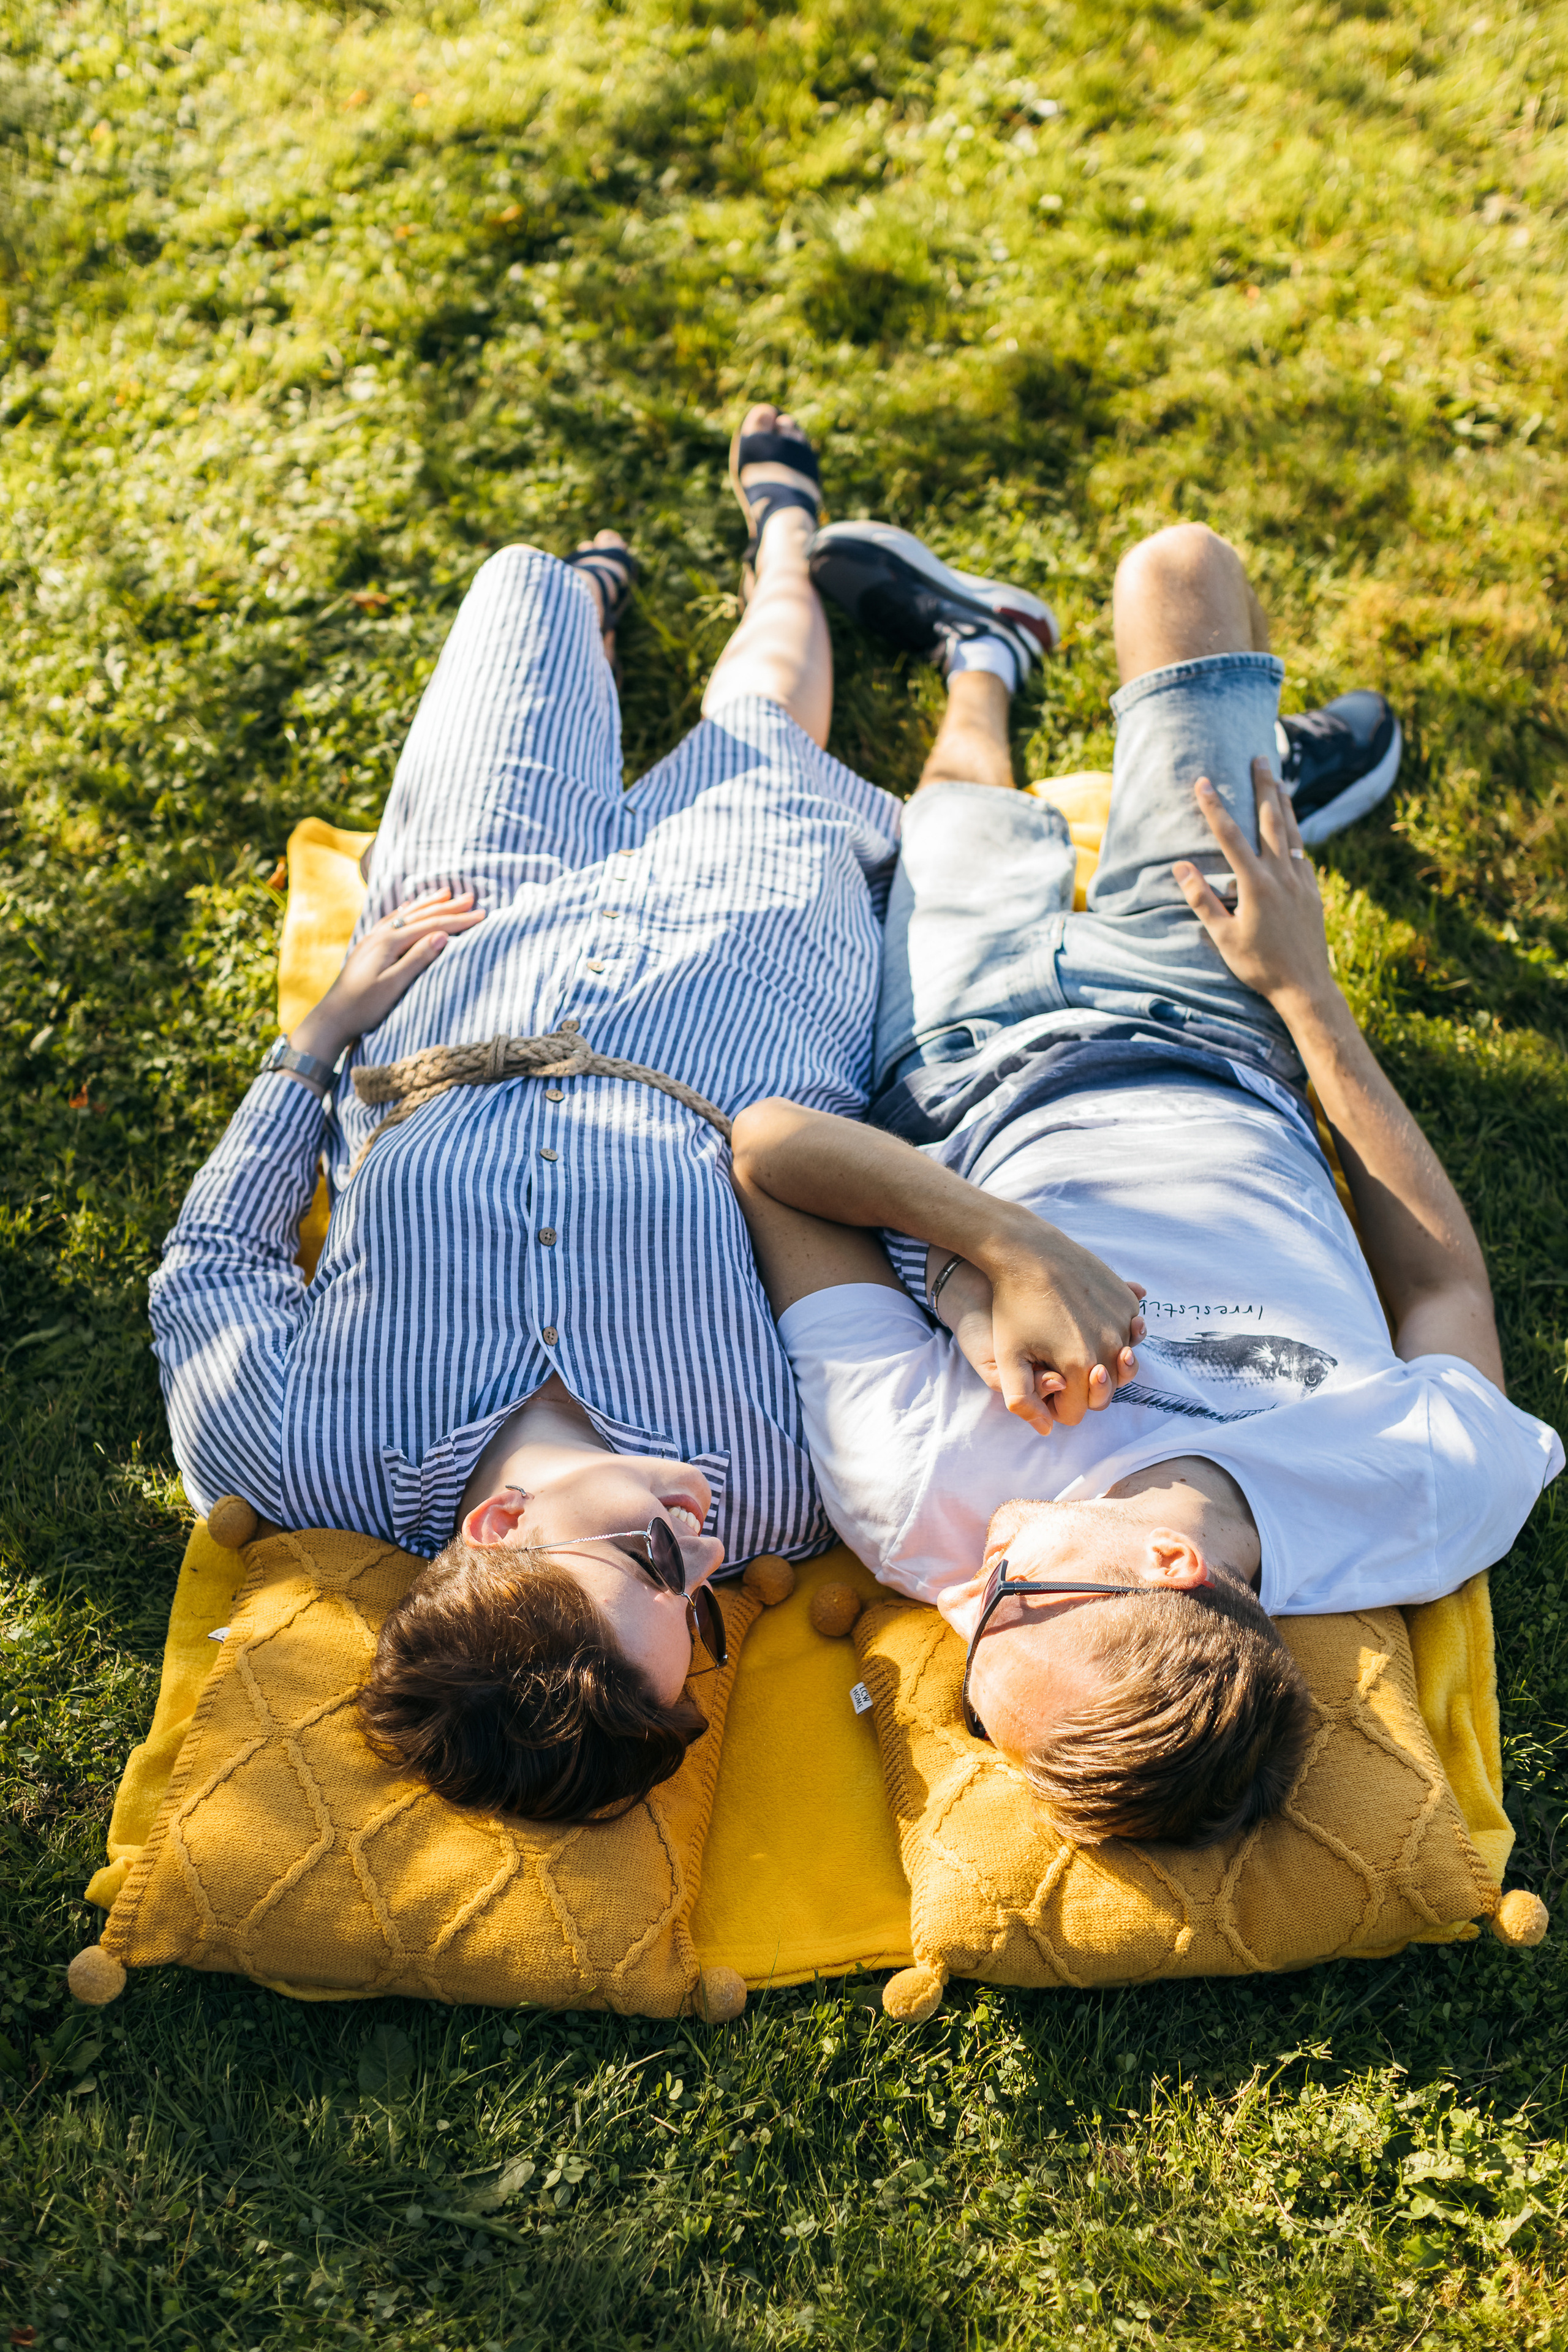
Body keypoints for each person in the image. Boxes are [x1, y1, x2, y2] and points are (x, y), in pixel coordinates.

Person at [147, 407, 1141, 1823]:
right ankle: (785, 536)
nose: (698, 1547)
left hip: (463, 942)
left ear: (497, 1532)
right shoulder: (778, 1482)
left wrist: (318, 1034)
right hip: (742, 960)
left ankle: (598, 609)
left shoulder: (287, 1446)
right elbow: (877, 1266)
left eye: (647, 1562)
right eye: (707, 1614)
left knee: (521, 587)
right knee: (756, 715)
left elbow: (212, 1268)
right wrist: (990, 1282)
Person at [730, 518, 1564, 1848]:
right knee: (1176, 573)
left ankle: (984, 658)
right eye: (1013, 1603)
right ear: (1176, 1570)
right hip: (1223, 1029)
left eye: (968, 1636)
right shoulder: (1422, 1493)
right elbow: (1443, 1277)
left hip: (957, 1061)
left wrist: (989, 1255)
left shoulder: (923, 1507)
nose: (961, 1591)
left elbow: (770, 1154)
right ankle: (1253, 780)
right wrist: (1307, 993)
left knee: (956, 825)